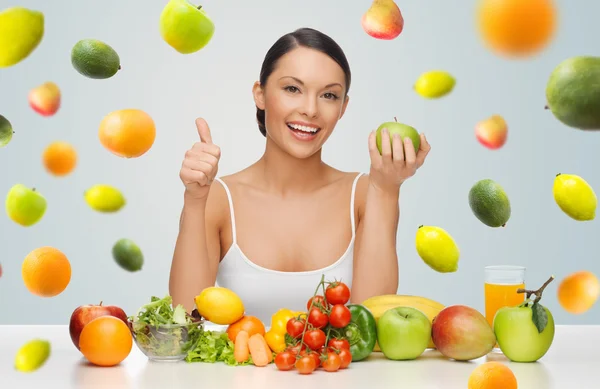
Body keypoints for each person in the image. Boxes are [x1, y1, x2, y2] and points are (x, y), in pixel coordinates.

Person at [169, 27, 431, 324]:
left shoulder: (365, 194)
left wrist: (387, 188)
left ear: (343, 108)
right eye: (292, 89)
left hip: (340, 372)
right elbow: (184, 317)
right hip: (243, 371)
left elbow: (370, 319)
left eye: (329, 95)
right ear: (260, 94)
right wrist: (194, 199)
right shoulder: (218, 198)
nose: (310, 110)